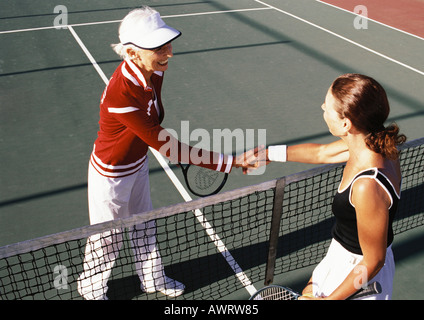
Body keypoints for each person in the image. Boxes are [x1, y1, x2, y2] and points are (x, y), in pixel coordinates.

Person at [77, 6, 253, 300]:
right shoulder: (122, 93)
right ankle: (91, 287)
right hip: (111, 175)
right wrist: (230, 162)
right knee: (107, 235)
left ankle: (152, 277)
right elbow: (167, 146)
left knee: (145, 223)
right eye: (159, 48)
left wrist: (154, 136)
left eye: (168, 44)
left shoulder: (153, 71)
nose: (168, 53)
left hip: (137, 164)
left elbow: (153, 121)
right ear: (132, 53)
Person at [247, 73, 406, 299]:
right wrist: (268, 154)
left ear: (345, 124)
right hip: (341, 257)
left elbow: (373, 261)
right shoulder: (370, 144)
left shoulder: (366, 187)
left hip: (360, 272)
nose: (322, 106)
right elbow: (321, 153)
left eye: (327, 107)